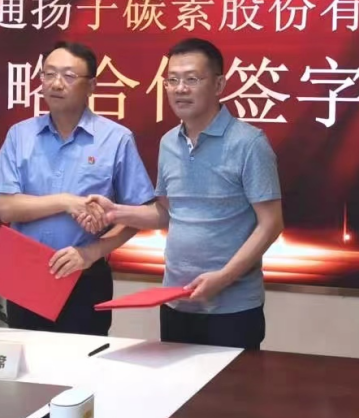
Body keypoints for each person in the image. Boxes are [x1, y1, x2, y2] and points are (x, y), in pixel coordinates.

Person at [79, 38, 283, 350]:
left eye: (192, 79)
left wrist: (223, 278)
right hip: (175, 300)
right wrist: (115, 212)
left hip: (232, 308)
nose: (180, 89)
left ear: (218, 85)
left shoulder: (249, 143)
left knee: (233, 384)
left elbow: (271, 224)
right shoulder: (168, 143)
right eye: (172, 80)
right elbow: (165, 213)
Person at [0, 41, 155, 336]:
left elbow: (139, 215)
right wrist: (65, 201)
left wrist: (91, 252)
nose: (56, 83)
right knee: (27, 359)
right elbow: (6, 208)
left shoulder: (116, 139)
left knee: (83, 360)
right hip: (25, 272)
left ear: (92, 86)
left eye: (69, 76)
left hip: (85, 274)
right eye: (49, 74)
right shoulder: (20, 135)